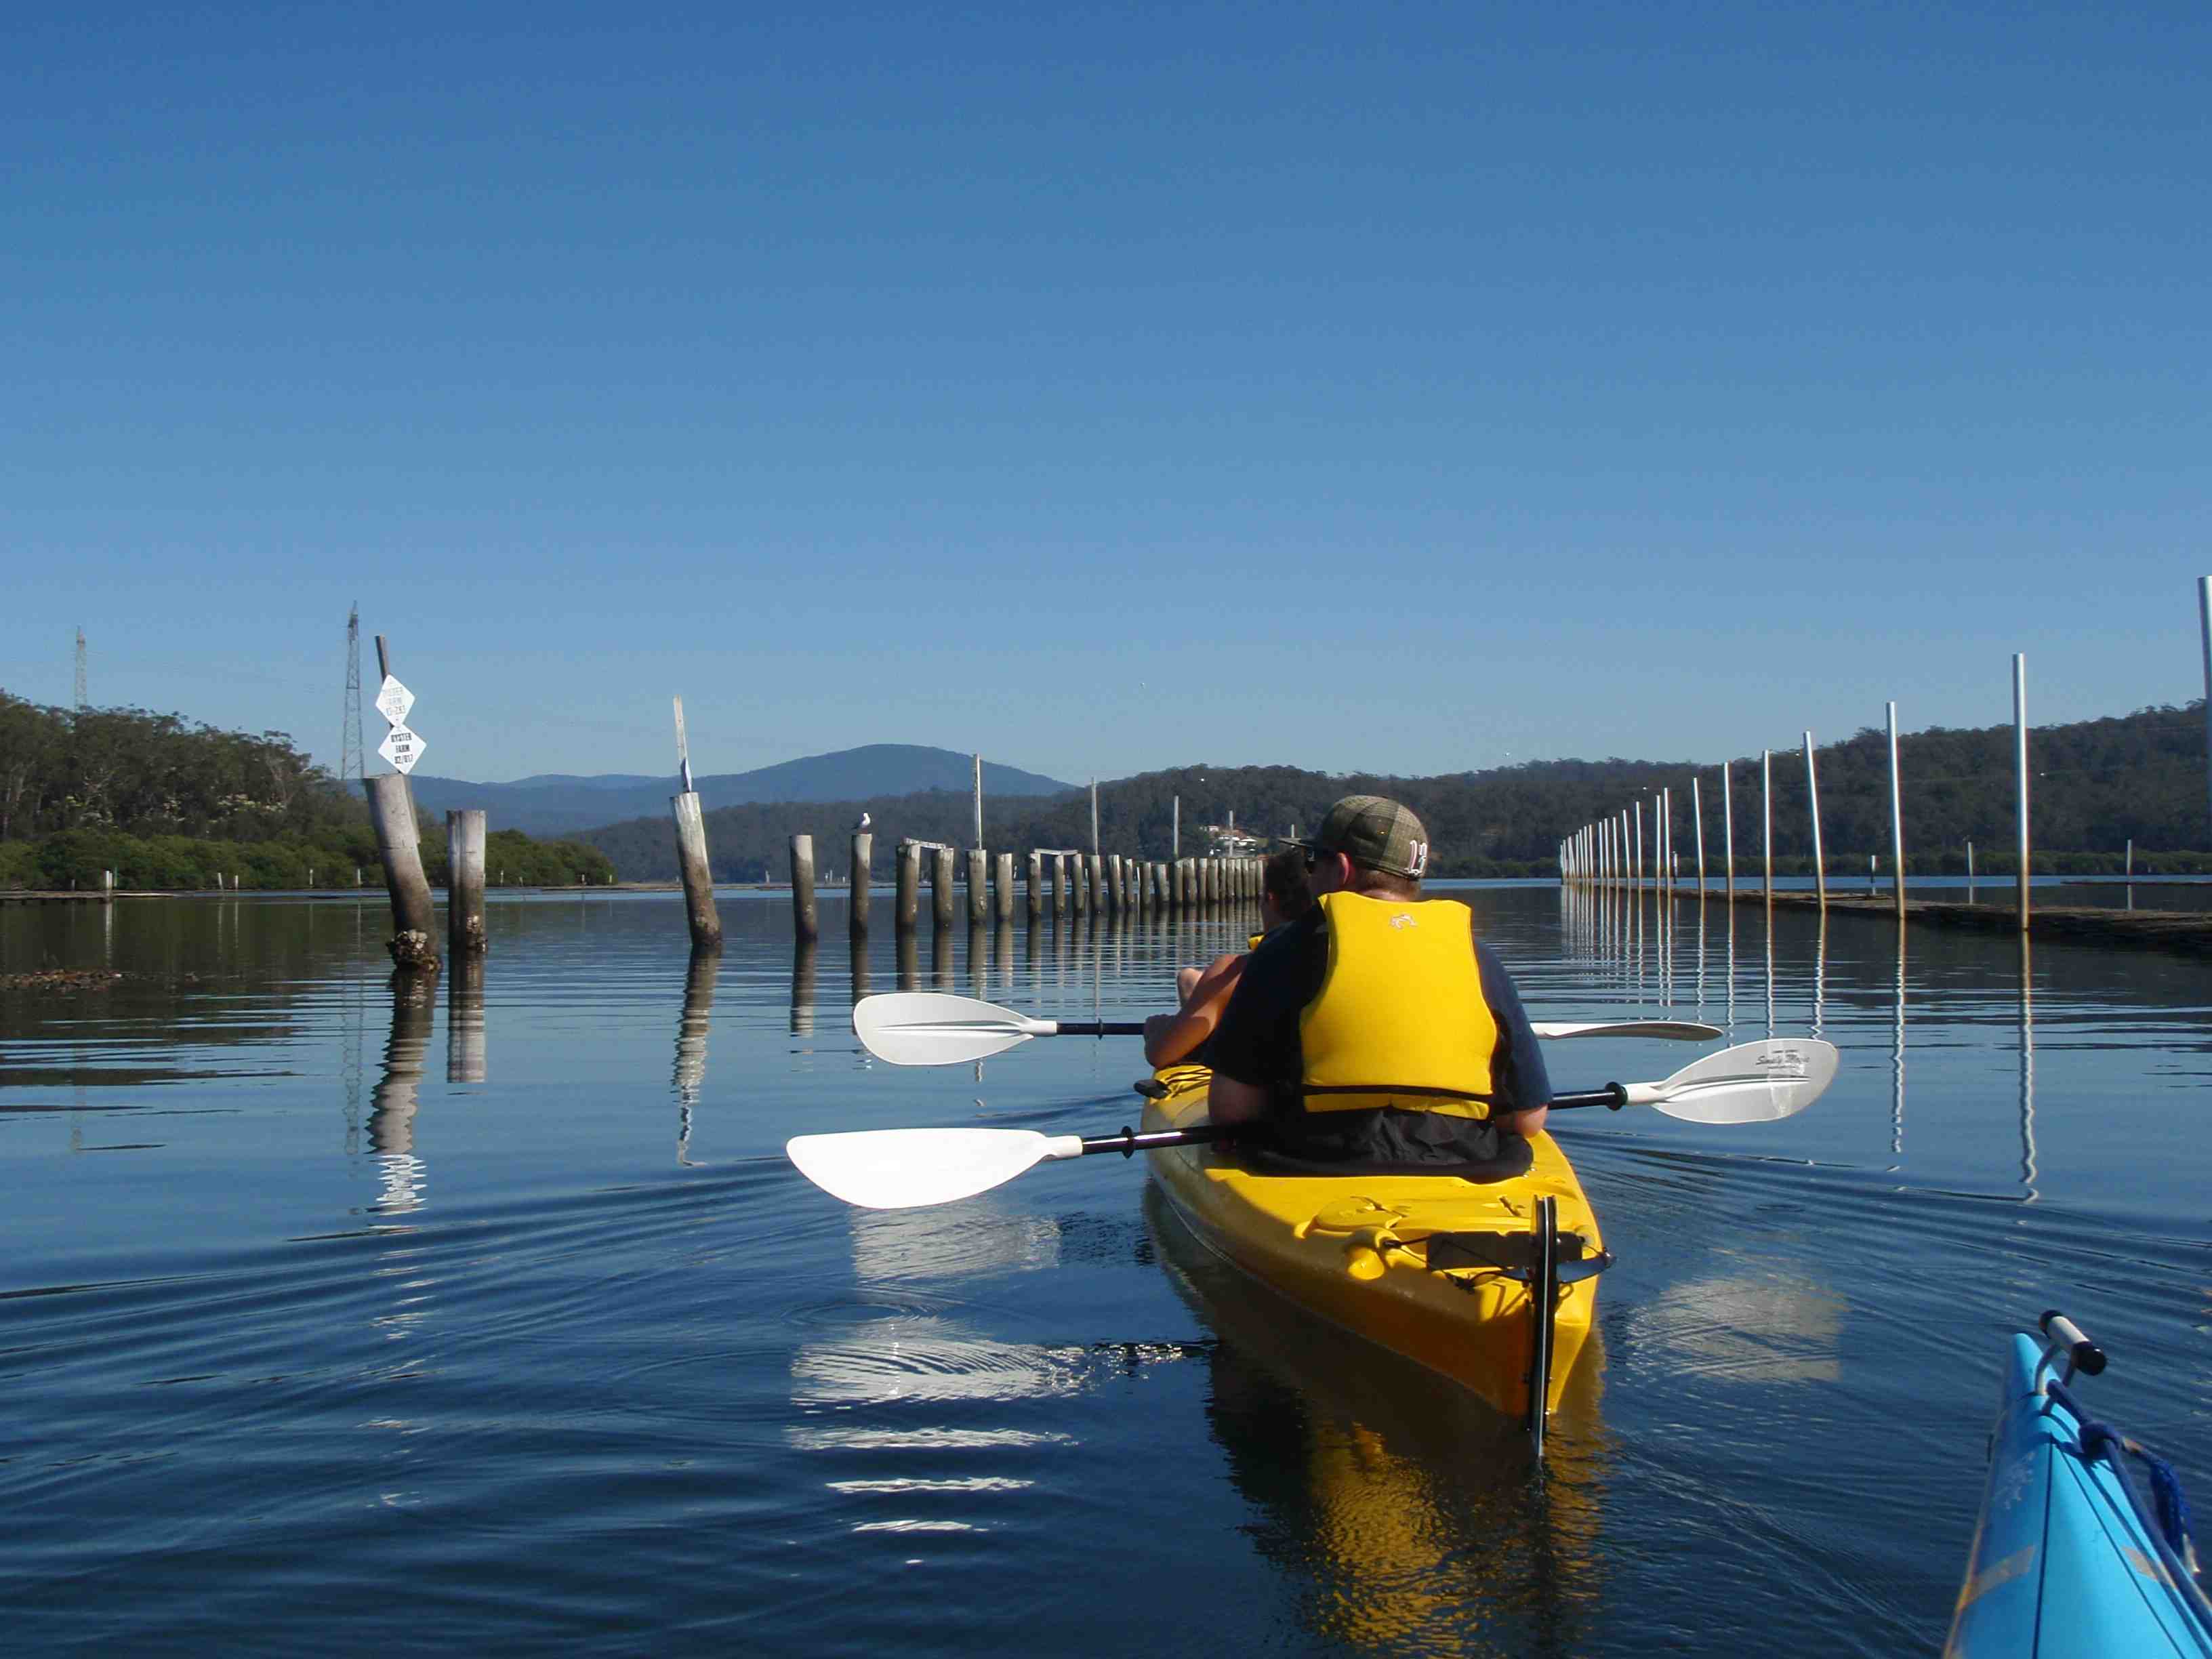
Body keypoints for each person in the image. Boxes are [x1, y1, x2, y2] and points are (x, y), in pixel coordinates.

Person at [1204, 795, 1551, 1173]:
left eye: (1312, 861)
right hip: (1463, 1161)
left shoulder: (1284, 950)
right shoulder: (1479, 957)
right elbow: (1528, 1119)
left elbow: (1231, 1109)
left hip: (1312, 1161)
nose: (1308, 876)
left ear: (1341, 869)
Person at [1143, 848, 1311, 1067]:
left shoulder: (1232, 972)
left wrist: (1156, 1032)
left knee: (1188, 981)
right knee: (1189, 979)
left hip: (1258, 1072)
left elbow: (1159, 1055)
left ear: (1270, 900)